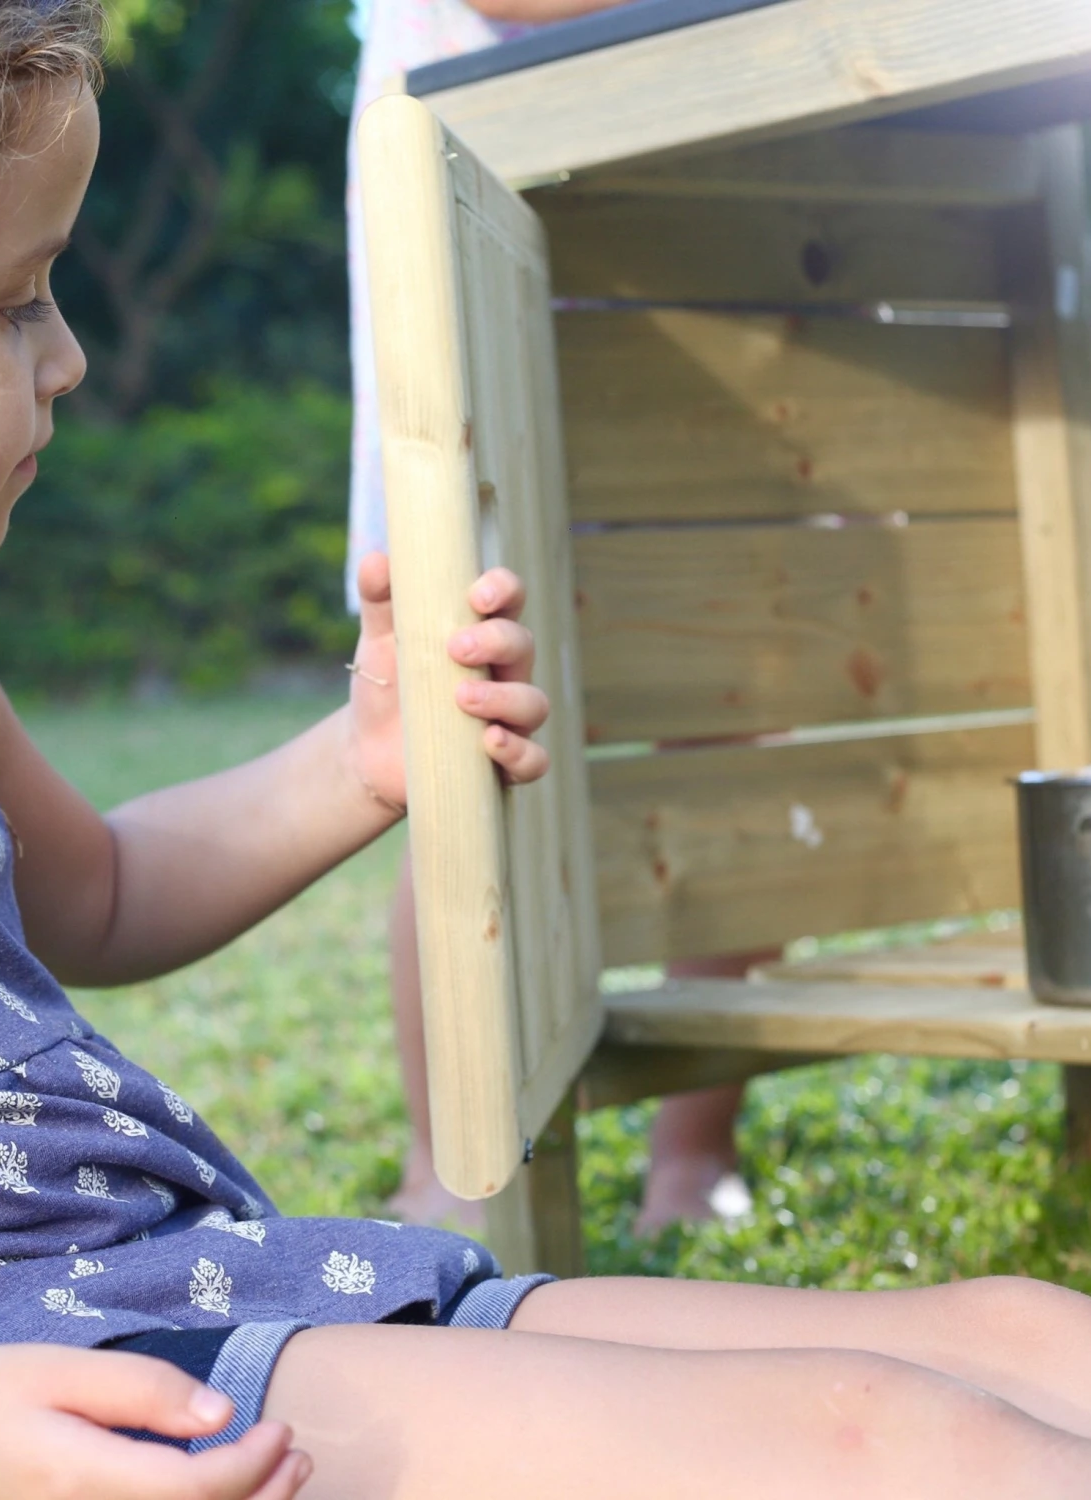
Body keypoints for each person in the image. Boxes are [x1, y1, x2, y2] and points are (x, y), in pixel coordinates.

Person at [0, 5, 1091, 1498]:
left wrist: (363, 757)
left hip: (211, 1286)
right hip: (48, 1395)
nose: (70, 358)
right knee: (888, 1450)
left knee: (1033, 1337)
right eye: (15, 300)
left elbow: (104, 891)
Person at [345, 0, 767, 1233]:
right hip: (471, 206)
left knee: (734, 703)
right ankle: (450, 1167)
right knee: (456, 736)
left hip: (694, 224)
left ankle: (693, 1157)